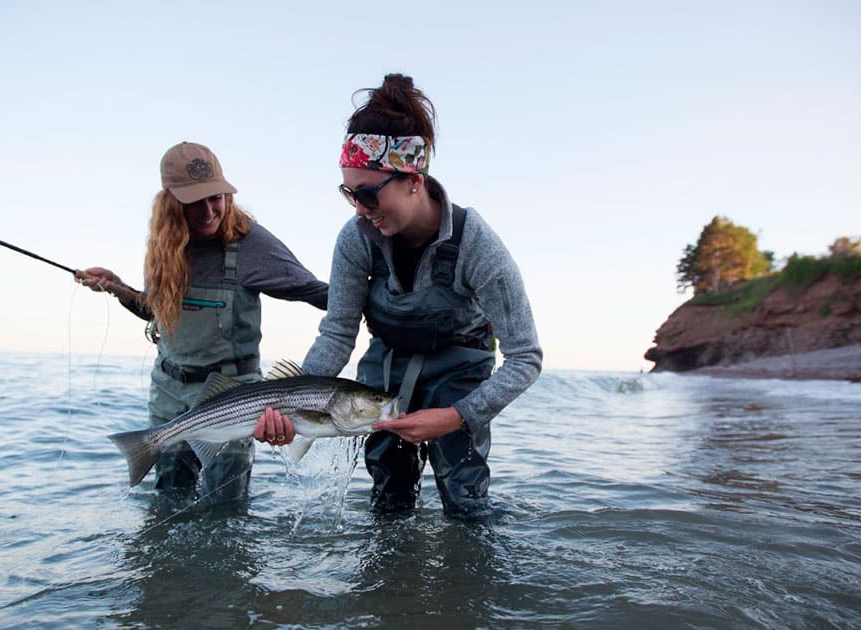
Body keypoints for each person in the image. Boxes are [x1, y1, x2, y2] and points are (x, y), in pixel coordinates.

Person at [255, 74, 542, 518]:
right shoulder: (356, 239)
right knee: (389, 499)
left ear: (414, 178)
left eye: (368, 194)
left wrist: (457, 416)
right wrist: (293, 404)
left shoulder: (478, 246)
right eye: (349, 193)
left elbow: (526, 358)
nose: (358, 210)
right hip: (384, 373)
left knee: (466, 501)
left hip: (460, 375)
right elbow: (336, 335)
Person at [78, 141, 327, 503]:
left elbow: (316, 292)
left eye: (217, 196)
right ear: (171, 203)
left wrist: (381, 304)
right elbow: (156, 311)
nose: (210, 210)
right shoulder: (165, 247)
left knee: (225, 510)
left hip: (232, 396)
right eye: (195, 201)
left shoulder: (252, 243)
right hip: (168, 388)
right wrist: (117, 288)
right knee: (168, 500)